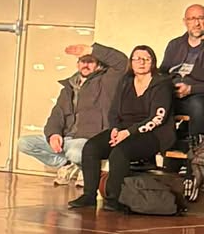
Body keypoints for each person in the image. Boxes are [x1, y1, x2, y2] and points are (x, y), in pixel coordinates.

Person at [69, 45, 175, 213]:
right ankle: (89, 195)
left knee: (120, 152)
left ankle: (113, 199)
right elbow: (114, 111)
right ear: (131, 62)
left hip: (152, 134)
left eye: (146, 59)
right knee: (91, 147)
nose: (141, 62)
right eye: (137, 59)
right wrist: (115, 129)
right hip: (123, 130)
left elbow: (157, 118)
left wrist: (128, 133)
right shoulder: (126, 81)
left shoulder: (162, 84)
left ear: (153, 62)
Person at [18, 42, 129, 175]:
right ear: (77, 64)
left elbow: (122, 62)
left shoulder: (106, 82)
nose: (86, 65)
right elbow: (57, 115)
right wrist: (54, 134)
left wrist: (91, 50)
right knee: (24, 143)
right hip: (67, 138)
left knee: (75, 153)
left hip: (88, 139)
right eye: (83, 61)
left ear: (98, 65)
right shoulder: (68, 87)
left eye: (90, 61)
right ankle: (67, 165)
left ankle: (84, 169)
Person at [161, 3, 204, 146]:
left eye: (201, 18)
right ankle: (159, 146)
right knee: (151, 101)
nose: (196, 23)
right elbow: (163, 73)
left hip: (198, 95)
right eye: (192, 19)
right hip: (173, 93)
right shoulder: (175, 45)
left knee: (197, 105)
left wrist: (191, 89)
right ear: (185, 22)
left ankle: (198, 149)